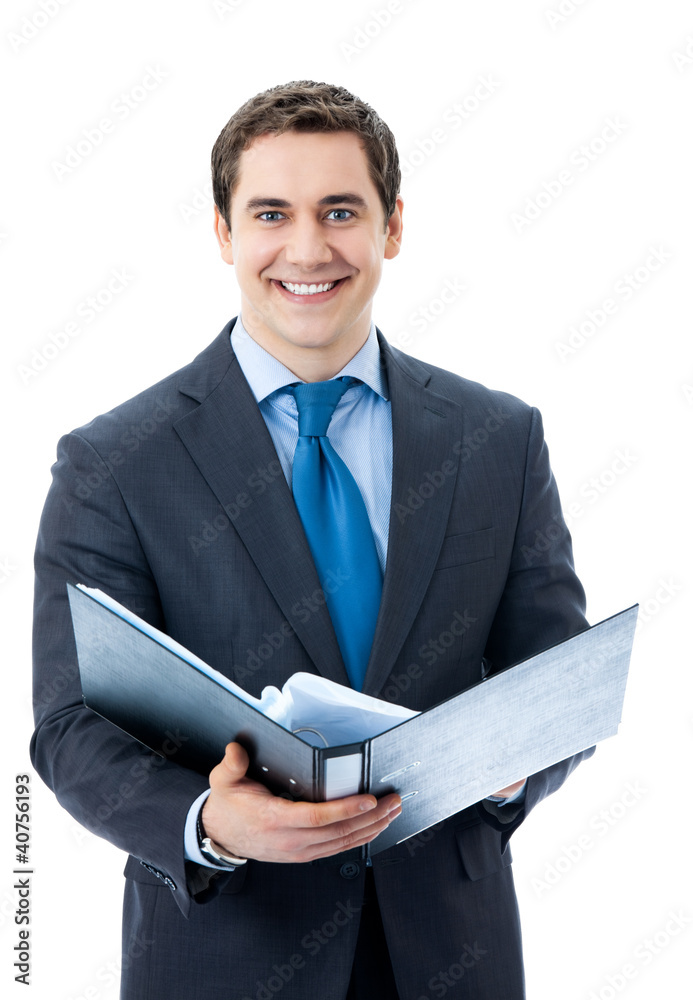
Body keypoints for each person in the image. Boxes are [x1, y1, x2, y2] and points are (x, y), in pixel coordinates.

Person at [31, 80, 593, 1000]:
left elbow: (554, 670)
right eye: (269, 213)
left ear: (392, 226)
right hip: (225, 952)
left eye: (340, 211)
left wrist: (513, 766)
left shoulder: (498, 438)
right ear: (222, 233)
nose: (306, 248)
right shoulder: (114, 463)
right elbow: (67, 727)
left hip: (453, 955)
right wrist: (205, 819)